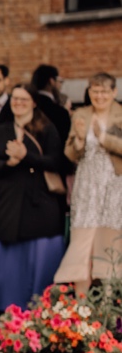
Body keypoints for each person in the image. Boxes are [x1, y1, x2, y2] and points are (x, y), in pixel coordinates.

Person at [0, 85, 70, 313]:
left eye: (23, 99)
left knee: (39, 244)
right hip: (9, 197)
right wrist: (9, 163)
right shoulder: (1, 130)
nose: (18, 103)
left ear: (33, 102)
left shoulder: (47, 129)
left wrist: (27, 157)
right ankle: (4, 303)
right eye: (15, 99)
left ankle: (39, 306)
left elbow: (56, 162)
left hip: (40, 198)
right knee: (7, 243)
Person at [56, 71, 122, 290]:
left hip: (114, 186)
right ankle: (81, 306)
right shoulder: (80, 114)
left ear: (114, 92)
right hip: (86, 187)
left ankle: (109, 304)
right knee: (83, 244)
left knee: (110, 242)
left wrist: (103, 138)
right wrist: (81, 139)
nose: (100, 96)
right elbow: (70, 153)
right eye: (95, 91)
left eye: (104, 91)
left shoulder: (120, 115)